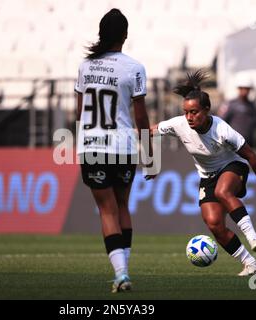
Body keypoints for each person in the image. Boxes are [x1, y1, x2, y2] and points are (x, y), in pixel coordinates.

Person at [150, 70, 256, 276]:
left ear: (207, 110)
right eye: (185, 112)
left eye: (194, 112)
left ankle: (253, 238)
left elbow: (251, 156)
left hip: (233, 166)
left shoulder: (223, 130)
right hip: (207, 175)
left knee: (223, 192)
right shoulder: (178, 124)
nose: (189, 117)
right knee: (214, 224)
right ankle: (251, 264)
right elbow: (149, 131)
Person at [74, 9, 152, 292]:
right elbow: (141, 118)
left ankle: (121, 274)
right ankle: (124, 270)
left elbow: (80, 112)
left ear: (100, 33)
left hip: (93, 146)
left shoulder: (85, 66)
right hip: (123, 146)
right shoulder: (135, 68)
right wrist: (150, 154)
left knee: (106, 211)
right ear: (125, 35)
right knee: (121, 206)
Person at [217, 76, 256, 148]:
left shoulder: (252, 106)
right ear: (239, 89)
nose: (244, 91)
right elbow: (220, 121)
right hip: (233, 144)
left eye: (247, 89)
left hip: (248, 144)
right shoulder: (230, 104)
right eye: (242, 88)